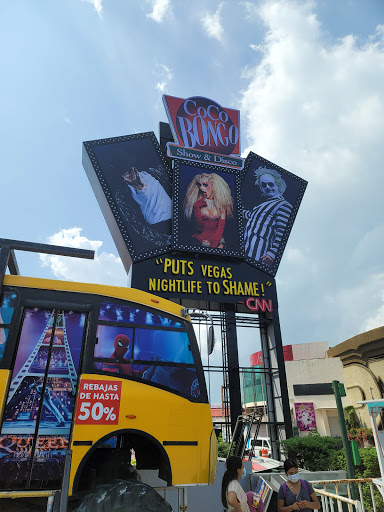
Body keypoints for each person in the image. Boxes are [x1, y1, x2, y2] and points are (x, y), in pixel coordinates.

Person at [243, 167, 292, 267]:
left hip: (258, 258)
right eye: (264, 185)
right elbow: (251, 216)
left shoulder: (283, 205)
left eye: (270, 184)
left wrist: (272, 253)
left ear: (277, 185)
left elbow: (282, 231)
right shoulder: (263, 205)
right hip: (245, 254)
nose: (268, 187)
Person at [184, 173, 233, 248]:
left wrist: (214, 244)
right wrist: (196, 208)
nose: (201, 188)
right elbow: (199, 227)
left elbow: (221, 227)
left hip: (218, 243)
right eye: (200, 185)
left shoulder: (221, 205)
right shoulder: (198, 203)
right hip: (199, 241)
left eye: (205, 185)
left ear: (213, 187)